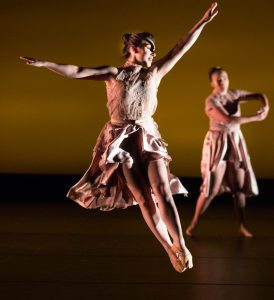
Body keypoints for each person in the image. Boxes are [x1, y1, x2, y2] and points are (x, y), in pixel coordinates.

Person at [20, 2, 218, 273]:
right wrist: (46, 64)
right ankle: (168, 249)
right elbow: (78, 71)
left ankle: (180, 243)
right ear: (134, 49)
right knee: (144, 199)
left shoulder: (155, 73)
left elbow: (180, 47)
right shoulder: (114, 75)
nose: (154, 52)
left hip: (146, 134)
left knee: (161, 190)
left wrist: (202, 22)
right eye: (149, 47)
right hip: (121, 139)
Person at [186, 66, 269, 238]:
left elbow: (259, 95)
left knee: (239, 187)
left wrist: (265, 107)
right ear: (212, 83)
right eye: (218, 80)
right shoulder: (211, 101)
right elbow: (228, 120)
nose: (222, 81)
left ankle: (242, 225)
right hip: (218, 143)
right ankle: (193, 223)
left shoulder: (234, 94)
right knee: (211, 189)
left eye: (224, 78)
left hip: (235, 140)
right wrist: (256, 117)